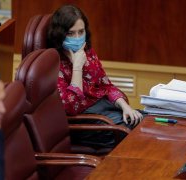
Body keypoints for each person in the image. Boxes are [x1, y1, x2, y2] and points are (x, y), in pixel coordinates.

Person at [47, 5, 143, 148]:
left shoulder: (88, 52)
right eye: (71, 33)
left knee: (146, 120)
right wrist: (77, 67)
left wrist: (125, 106)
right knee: (135, 134)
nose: (78, 38)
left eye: (81, 31)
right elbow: (72, 107)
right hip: (83, 121)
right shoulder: (53, 63)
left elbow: (106, 86)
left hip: (103, 109)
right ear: (60, 34)